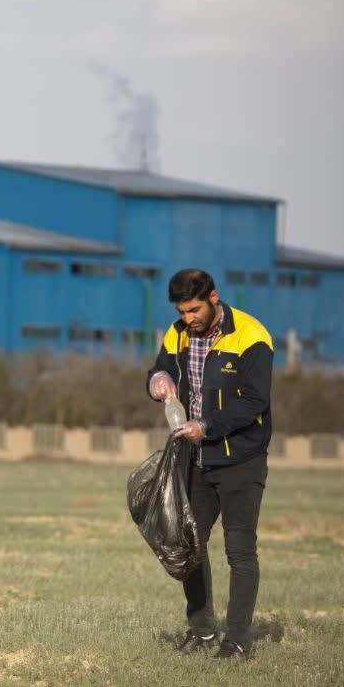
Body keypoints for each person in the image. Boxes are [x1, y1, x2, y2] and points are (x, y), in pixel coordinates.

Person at [147, 268, 273, 661]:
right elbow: (158, 368)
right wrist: (157, 381)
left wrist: (206, 425)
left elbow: (254, 402)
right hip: (195, 459)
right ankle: (201, 631)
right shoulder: (178, 332)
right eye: (183, 311)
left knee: (240, 552)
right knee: (189, 548)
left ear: (214, 297)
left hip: (240, 460)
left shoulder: (252, 336)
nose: (188, 318)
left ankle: (235, 641)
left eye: (194, 309)